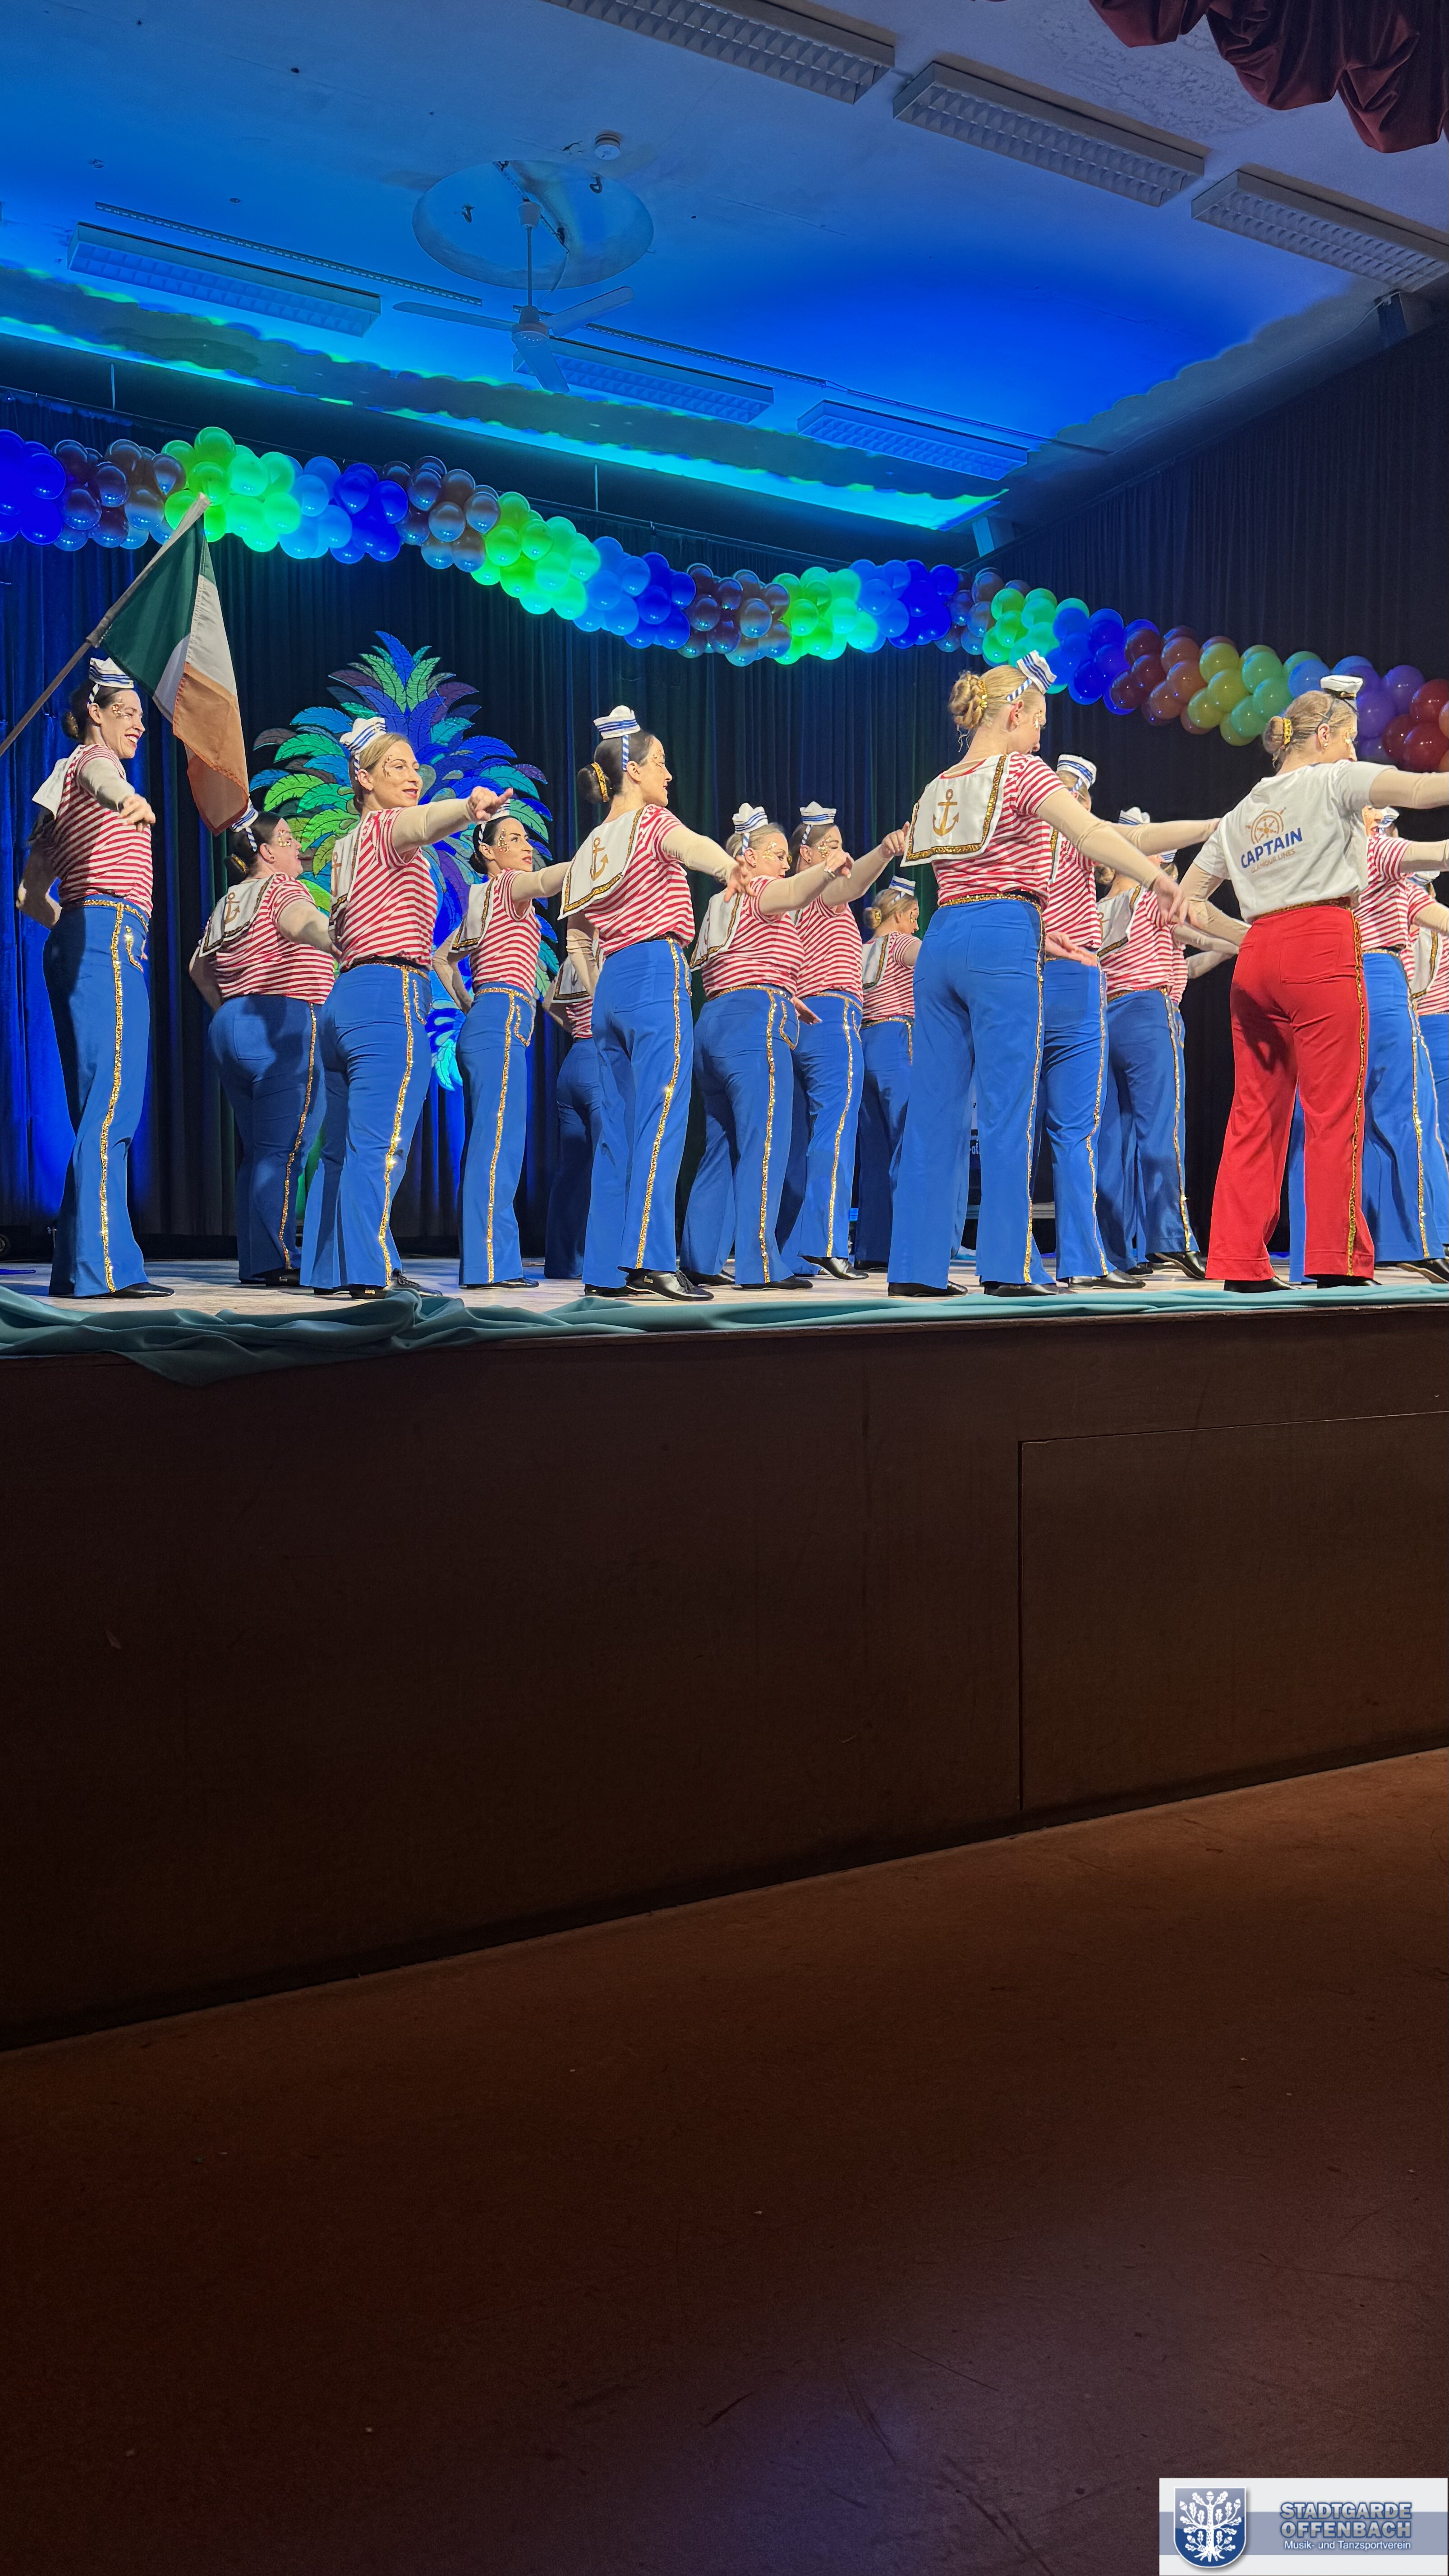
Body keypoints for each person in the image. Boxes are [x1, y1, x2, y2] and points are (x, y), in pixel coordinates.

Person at [887, 655, 1187, 1298]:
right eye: (1040, 720)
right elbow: (1090, 833)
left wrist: (1037, 933)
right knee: (1007, 1107)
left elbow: (962, 879)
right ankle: (1008, 1265)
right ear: (1014, 711)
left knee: (935, 1110)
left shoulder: (938, 782)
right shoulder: (1021, 771)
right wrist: (1158, 878)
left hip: (942, 938)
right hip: (1002, 938)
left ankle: (914, 1267)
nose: (1041, 735)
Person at [1176, 679, 1449, 1290]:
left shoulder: (1242, 811)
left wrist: (1249, 939)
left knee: (1254, 1113)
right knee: (1333, 1112)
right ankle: (1334, 1258)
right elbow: (1421, 791)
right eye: (1349, 740)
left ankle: (1238, 1262)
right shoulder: (1334, 780)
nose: (1353, 752)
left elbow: (1184, 907)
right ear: (1323, 735)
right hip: (1323, 943)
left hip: (1258, 958)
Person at [300, 718, 512, 1299]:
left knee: (343, 1149)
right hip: (387, 995)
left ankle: (331, 1269)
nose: (412, 775)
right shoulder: (386, 827)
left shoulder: (347, 846)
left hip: (346, 996)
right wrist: (468, 808)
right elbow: (420, 823)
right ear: (364, 778)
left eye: (415, 766)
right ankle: (368, 1273)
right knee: (381, 1145)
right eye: (396, 766)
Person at [561, 705, 735, 1302]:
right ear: (632, 770)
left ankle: (605, 1267)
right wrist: (732, 870)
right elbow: (694, 846)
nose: (668, 774)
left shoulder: (591, 845)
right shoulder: (653, 821)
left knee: (617, 1130)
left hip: (611, 983)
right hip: (656, 970)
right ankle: (652, 1259)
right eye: (659, 763)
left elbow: (576, 936)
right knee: (660, 1120)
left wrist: (600, 983)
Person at [17, 658, 170, 1299]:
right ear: (95, 714)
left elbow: (28, 896)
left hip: (81, 937)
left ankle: (78, 1264)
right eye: (128, 713)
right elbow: (103, 775)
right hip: (107, 932)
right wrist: (125, 797)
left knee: (94, 1109)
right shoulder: (93, 765)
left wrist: (74, 927)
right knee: (113, 1106)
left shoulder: (60, 789)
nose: (140, 725)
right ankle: (106, 1266)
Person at [681, 805, 854, 1290]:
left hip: (715, 1023)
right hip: (754, 1025)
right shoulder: (758, 889)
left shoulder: (721, 902)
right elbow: (795, 892)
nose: (783, 863)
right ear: (749, 858)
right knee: (766, 1145)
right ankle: (759, 1264)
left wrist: (789, 997)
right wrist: (827, 868)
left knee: (721, 1147)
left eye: (785, 856)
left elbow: (736, 966)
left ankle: (700, 1258)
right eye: (776, 854)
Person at [188, 806, 335, 1286]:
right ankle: (277, 1260)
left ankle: (258, 1261)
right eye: (289, 838)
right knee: (285, 1151)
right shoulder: (284, 889)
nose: (298, 846)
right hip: (283, 1021)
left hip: (232, 1024)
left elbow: (197, 969)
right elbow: (300, 923)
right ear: (267, 852)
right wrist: (336, 938)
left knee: (260, 1152)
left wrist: (231, 1011)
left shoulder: (229, 901)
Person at [434, 811, 570, 1288]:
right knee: (498, 1149)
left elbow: (442, 959)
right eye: (512, 839)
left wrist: (470, 1005)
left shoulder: (483, 899)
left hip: (487, 1021)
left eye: (526, 837)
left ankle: (486, 1262)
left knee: (489, 1145)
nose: (525, 845)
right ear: (488, 852)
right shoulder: (509, 887)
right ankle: (491, 1266)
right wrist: (601, 860)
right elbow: (549, 880)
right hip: (500, 1018)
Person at [776, 804, 909, 1282]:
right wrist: (885, 850)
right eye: (831, 846)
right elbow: (850, 886)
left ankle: (791, 1251)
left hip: (796, 1018)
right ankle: (826, 1244)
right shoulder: (821, 890)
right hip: (831, 1016)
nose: (841, 853)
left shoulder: (787, 897)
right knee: (833, 1132)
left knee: (796, 1142)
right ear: (806, 854)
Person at [1094, 805, 1227, 1283]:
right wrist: (1252, 938)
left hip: (1102, 1020)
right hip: (1150, 1016)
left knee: (1111, 1141)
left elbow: (1191, 948)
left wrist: (1229, 947)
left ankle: (1117, 1249)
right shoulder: (1151, 900)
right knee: (1161, 1133)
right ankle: (1171, 1239)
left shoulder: (1094, 910)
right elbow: (1201, 925)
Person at [855, 877, 920, 1270]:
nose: (916, 925)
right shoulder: (900, 944)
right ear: (899, 916)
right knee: (906, 1146)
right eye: (914, 917)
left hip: (863, 1044)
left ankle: (873, 1248)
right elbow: (935, 960)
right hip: (897, 1040)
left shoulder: (860, 949)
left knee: (874, 1152)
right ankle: (909, 1246)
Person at [542, 931, 603, 1283]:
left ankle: (563, 1263)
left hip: (575, 1058)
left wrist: (578, 1029)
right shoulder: (615, 952)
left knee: (573, 1170)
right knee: (611, 1163)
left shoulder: (572, 961)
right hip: (602, 1058)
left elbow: (549, 1002)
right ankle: (607, 1262)